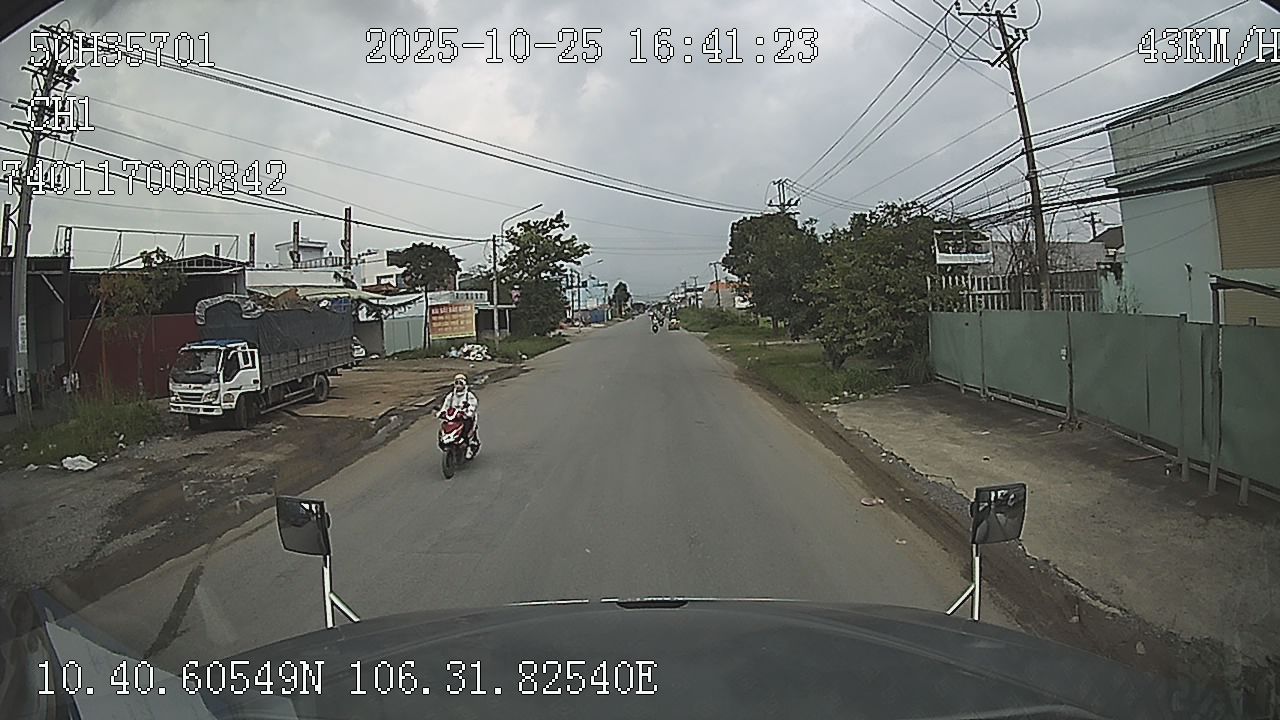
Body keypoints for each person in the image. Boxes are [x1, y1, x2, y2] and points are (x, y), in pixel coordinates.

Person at [438, 373, 480, 458]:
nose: (458, 385)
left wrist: (468, 413)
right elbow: (445, 406)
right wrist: (441, 413)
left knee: (466, 431)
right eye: (456, 383)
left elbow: (473, 405)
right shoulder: (451, 396)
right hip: (453, 418)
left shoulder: (469, 395)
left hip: (465, 417)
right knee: (444, 428)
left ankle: (469, 448)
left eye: (460, 383)